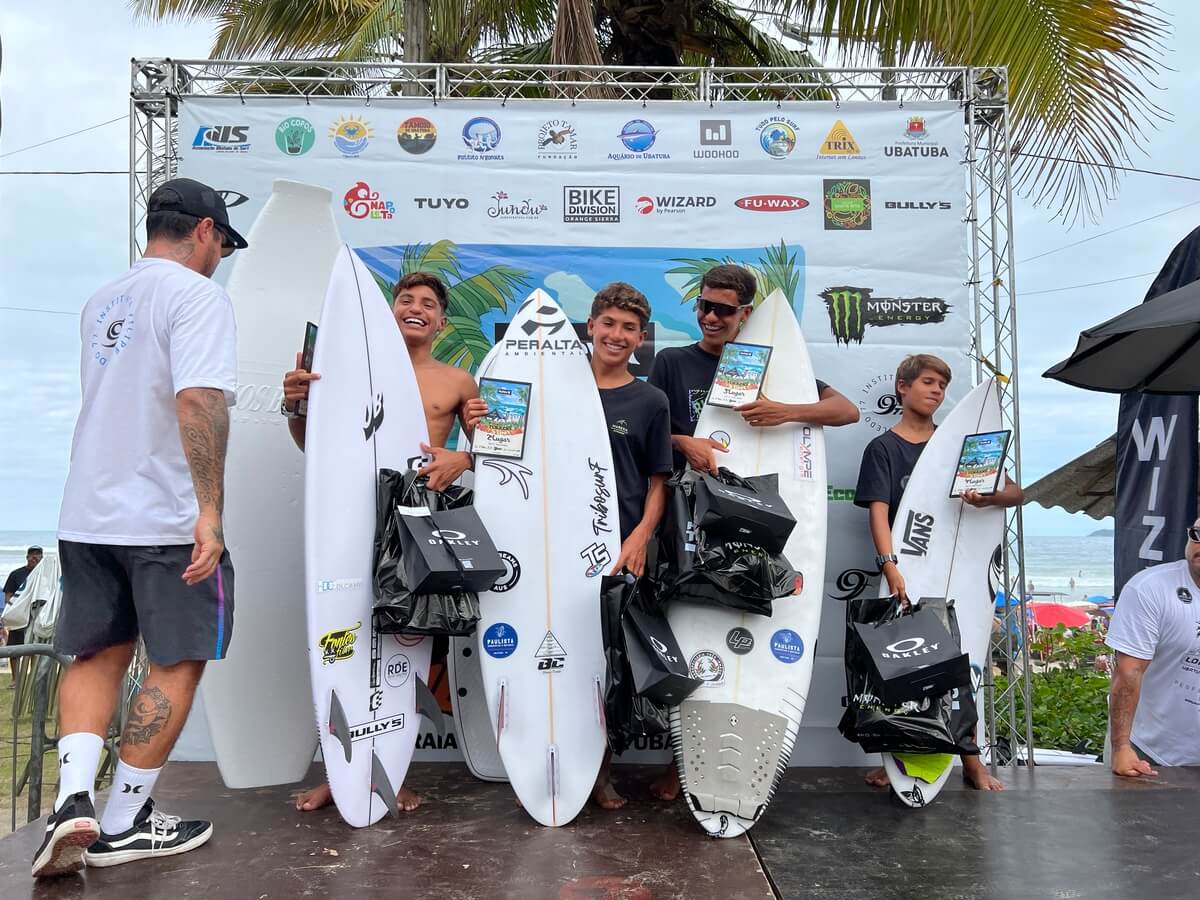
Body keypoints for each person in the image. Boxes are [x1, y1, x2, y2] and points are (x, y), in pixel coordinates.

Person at [34, 178, 244, 879]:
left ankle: (71, 803)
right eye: (222, 246)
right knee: (176, 659)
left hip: (86, 511)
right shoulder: (197, 295)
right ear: (207, 233)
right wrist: (209, 508)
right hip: (162, 517)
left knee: (97, 655)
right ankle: (123, 821)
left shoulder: (103, 300)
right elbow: (199, 400)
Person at [646, 263, 859, 801]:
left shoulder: (771, 364)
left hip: (756, 513)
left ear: (746, 313)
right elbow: (649, 429)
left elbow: (846, 410)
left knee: (745, 619)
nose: (710, 317)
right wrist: (683, 443)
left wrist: (783, 410)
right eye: (703, 306)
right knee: (691, 629)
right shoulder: (674, 362)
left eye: (723, 309)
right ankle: (681, 761)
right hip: (691, 514)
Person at [282, 270, 484, 812]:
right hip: (349, 518)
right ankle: (340, 774)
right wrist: (295, 406)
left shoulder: (459, 382)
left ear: (442, 322)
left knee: (405, 645)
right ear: (390, 311)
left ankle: (389, 771)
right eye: (405, 299)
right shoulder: (344, 373)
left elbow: (496, 453)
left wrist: (462, 457)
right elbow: (312, 446)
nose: (415, 307)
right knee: (339, 641)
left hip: (416, 524)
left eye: (427, 303)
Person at [853, 353, 1024, 793]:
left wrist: (988, 500)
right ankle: (895, 761)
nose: (936, 391)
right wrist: (890, 566)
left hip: (956, 572)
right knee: (901, 669)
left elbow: (1015, 493)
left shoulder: (956, 447)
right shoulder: (884, 448)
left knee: (960, 665)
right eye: (927, 382)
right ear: (902, 387)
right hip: (909, 567)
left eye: (942, 386)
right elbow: (879, 514)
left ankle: (971, 762)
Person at [585, 283, 674, 809]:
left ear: (641, 339)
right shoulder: (560, 390)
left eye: (628, 328)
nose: (617, 335)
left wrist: (639, 538)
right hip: (558, 552)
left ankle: (600, 772)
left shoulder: (650, 400)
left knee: (609, 667)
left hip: (620, 551)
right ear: (591, 327)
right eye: (608, 324)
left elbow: (658, 482)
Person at [1104, 519, 1200, 776]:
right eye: (1197, 534)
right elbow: (1128, 672)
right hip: (1149, 753)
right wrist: (1121, 746)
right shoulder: (1150, 587)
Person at [2, 546, 43, 651]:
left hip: (36, 617)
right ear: (27, 557)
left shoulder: (44, 576)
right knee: (14, 648)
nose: (34, 557)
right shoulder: (16, 574)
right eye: (32, 554)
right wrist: (10, 615)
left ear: (42, 557)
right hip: (19, 616)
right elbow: (8, 597)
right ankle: (16, 668)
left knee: (34, 648)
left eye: (37, 554)